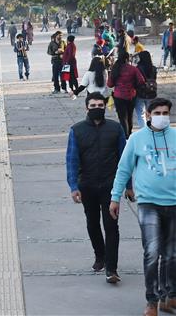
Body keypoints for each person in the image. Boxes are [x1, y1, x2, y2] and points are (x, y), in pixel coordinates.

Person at [109, 98, 176, 316]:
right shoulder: (137, 139)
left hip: (173, 203)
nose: (162, 116)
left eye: (165, 112)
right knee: (152, 252)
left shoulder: (175, 137)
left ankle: (169, 296)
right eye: (157, 112)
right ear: (147, 114)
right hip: (148, 203)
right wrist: (115, 197)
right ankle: (151, 301)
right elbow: (123, 169)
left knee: (171, 254)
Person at [66, 92, 126, 284]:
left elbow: (125, 160)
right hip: (88, 186)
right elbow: (72, 160)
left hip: (111, 186)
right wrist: (74, 186)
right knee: (92, 223)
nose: (97, 108)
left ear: (104, 106)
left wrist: (129, 186)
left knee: (111, 225)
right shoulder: (77, 130)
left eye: (100, 105)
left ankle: (111, 268)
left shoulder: (116, 129)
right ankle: (99, 255)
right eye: (93, 106)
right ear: (86, 108)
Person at [108, 51, 146, 138]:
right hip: (131, 95)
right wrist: (133, 86)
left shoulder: (115, 69)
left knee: (122, 117)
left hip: (118, 96)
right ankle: (129, 133)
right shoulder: (133, 69)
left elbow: (109, 84)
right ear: (127, 58)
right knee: (129, 116)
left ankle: (125, 135)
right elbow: (141, 81)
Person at [134, 51, 158, 129]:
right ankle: (152, 128)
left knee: (140, 113)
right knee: (151, 112)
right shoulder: (153, 68)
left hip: (140, 93)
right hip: (151, 92)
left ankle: (143, 129)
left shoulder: (138, 68)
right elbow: (154, 79)